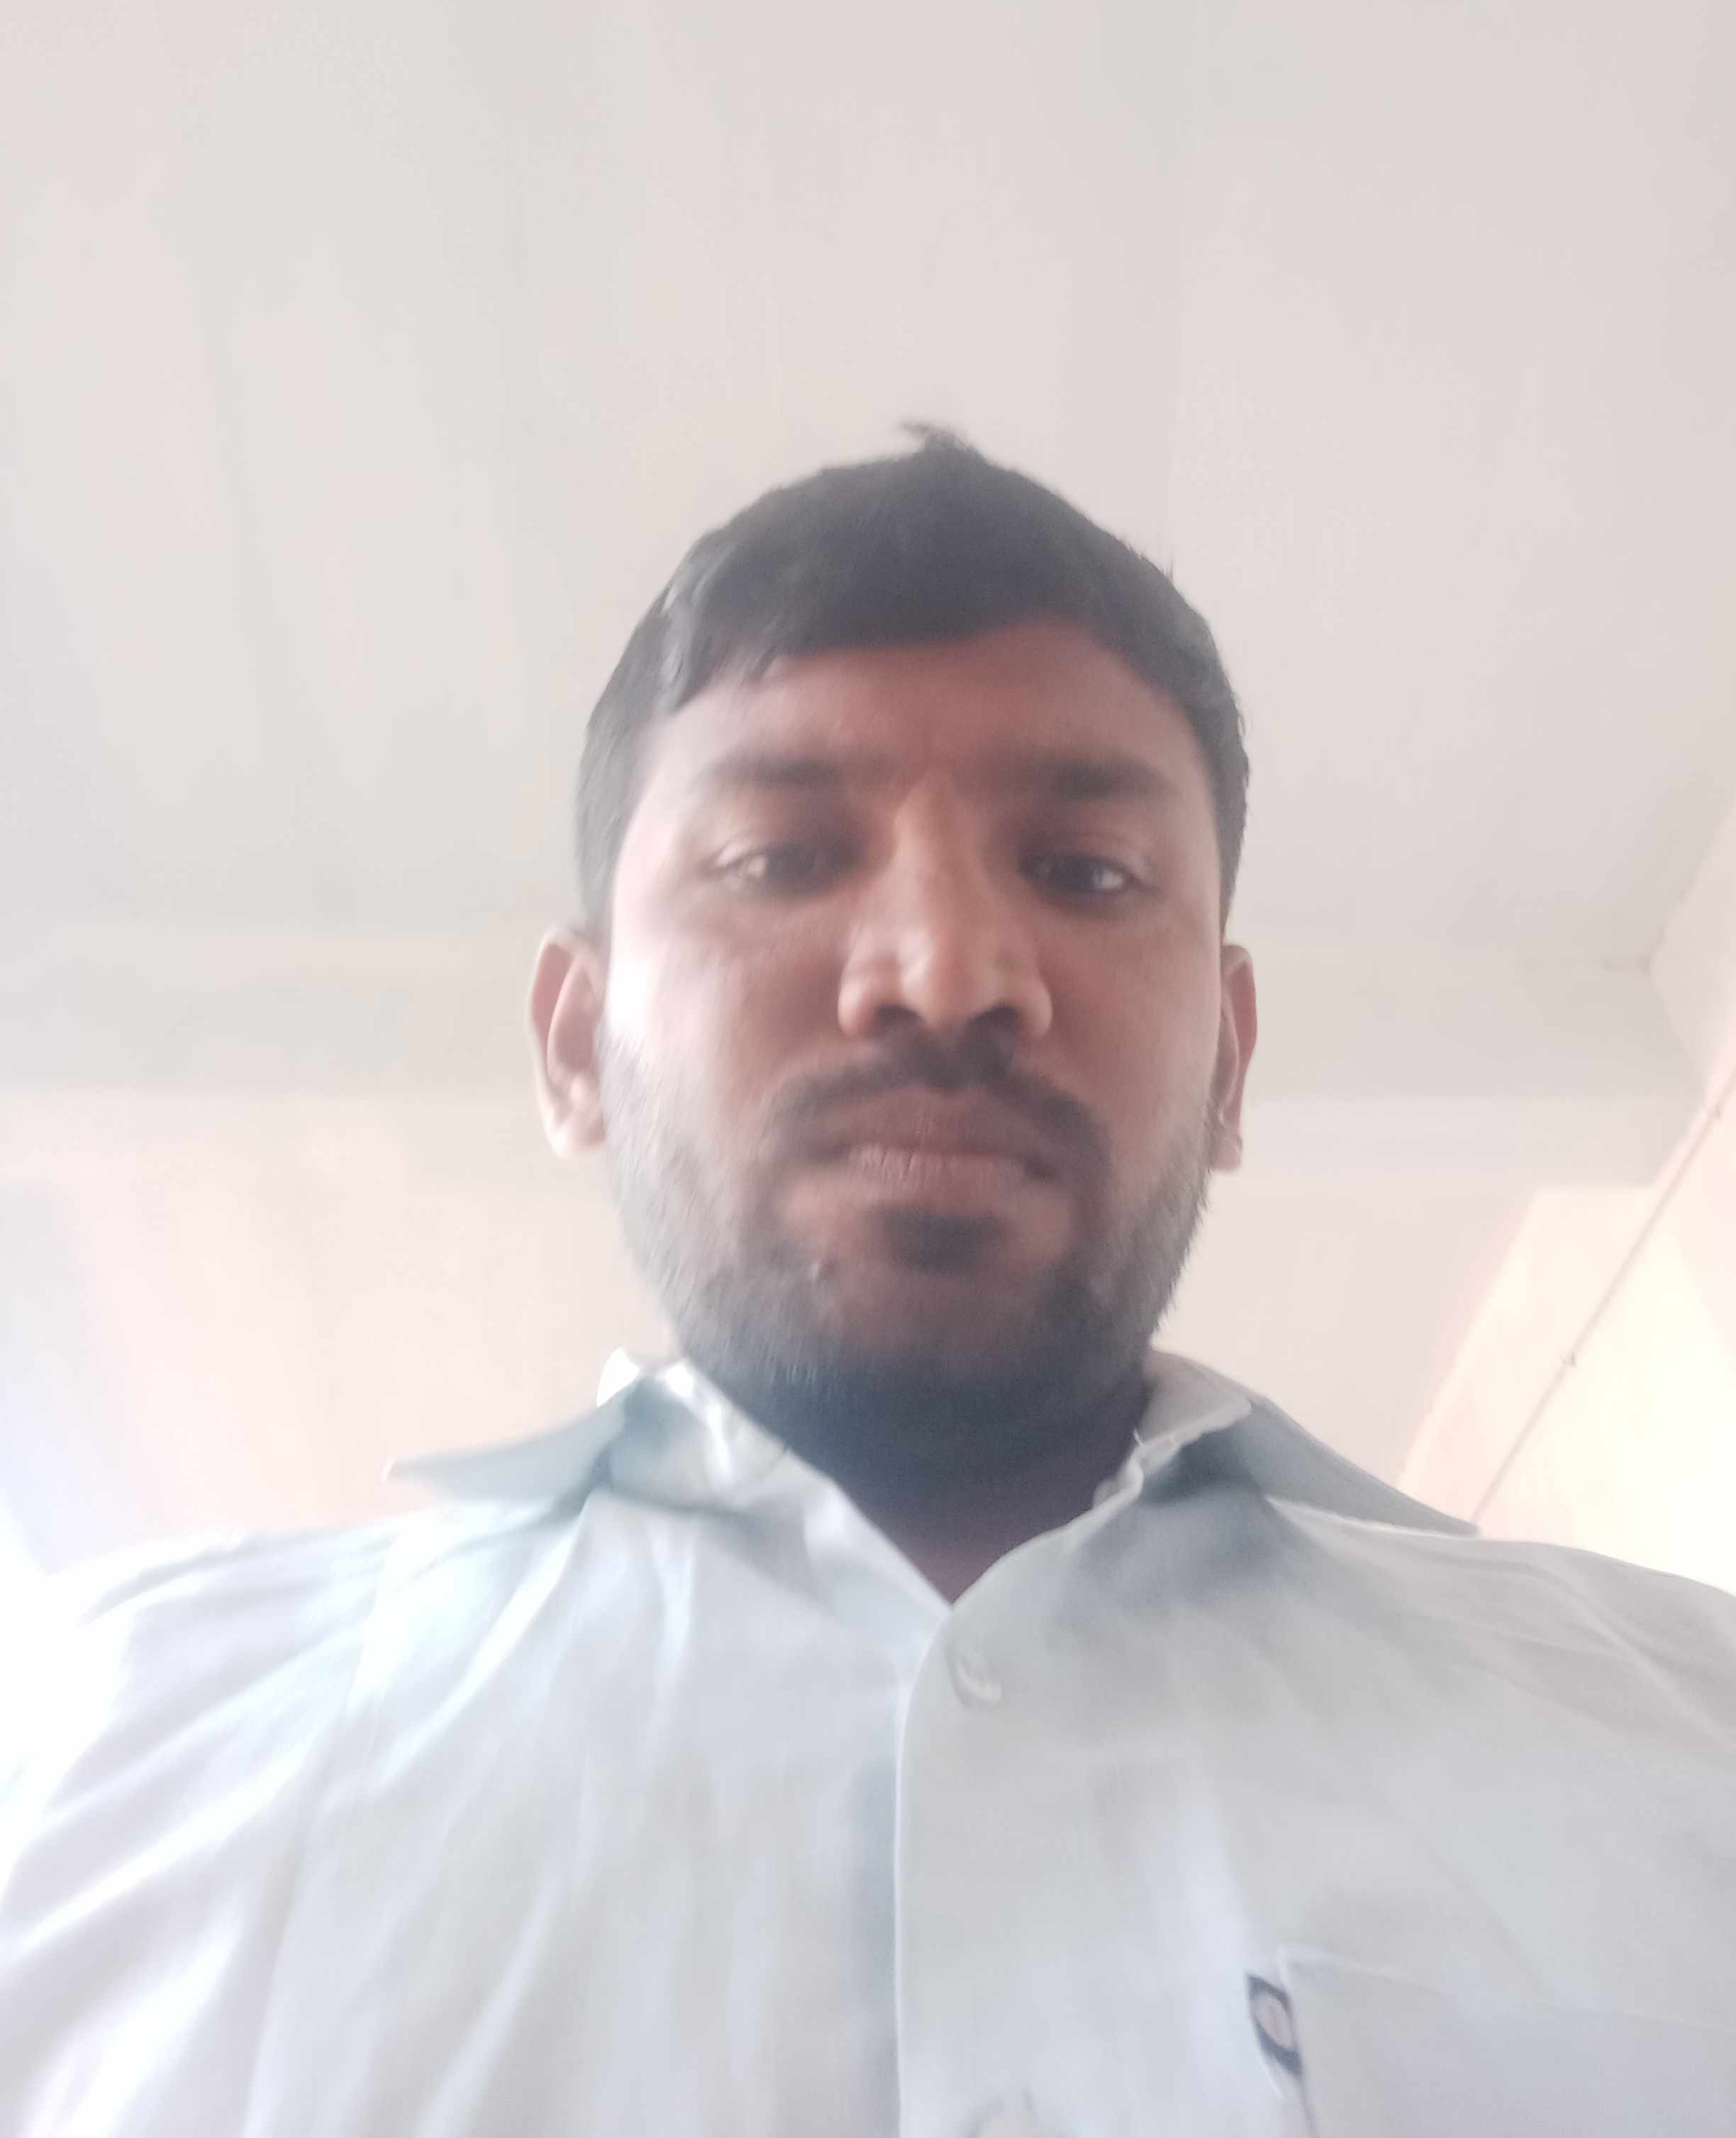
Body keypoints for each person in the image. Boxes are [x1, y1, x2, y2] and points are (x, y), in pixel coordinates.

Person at [3, 435, 1734, 2136]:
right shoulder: (89, 1744)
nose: (946, 969)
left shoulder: (1690, 1732)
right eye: (781, 857)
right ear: (577, 1044)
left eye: (1085, 872)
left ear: (1228, 1062)